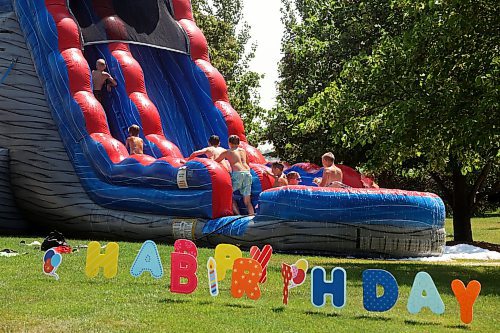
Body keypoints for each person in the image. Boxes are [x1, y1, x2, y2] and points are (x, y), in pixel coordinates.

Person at [215, 135, 254, 215]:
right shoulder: (243, 151)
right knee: (247, 201)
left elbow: (215, 161)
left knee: (228, 195)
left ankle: (238, 216)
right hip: (247, 172)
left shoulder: (228, 152)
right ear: (238, 143)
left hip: (238, 174)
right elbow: (247, 162)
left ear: (229, 143)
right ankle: (252, 216)